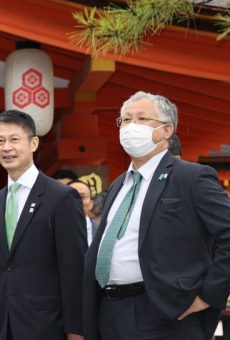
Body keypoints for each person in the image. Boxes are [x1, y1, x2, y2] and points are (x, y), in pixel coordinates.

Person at [83, 91, 230, 340]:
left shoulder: (191, 177)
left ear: (166, 130)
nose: (131, 126)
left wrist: (209, 295)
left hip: (166, 313)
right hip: (109, 311)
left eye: (142, 118)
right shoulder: (120, 184)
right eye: (126, 120)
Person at [0, 109, 86, 340]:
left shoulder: (62, 197)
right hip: (2, 326)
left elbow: (74, 270)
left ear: (34, 143)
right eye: (0, 141)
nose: (6, 147)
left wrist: (76, 330)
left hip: (47, 326)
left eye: (14, 139)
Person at [68, 179, 98, 246]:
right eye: (71, 197)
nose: (77, 201)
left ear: (91, 204)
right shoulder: (52, 231)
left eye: (82, 197)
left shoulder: (101, 232)